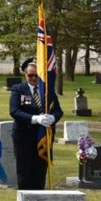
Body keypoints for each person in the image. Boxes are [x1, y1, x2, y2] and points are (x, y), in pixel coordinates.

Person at [10, 57, 63, 190]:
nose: (33, 78)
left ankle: (39, 198)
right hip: (24, 136)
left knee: (40, 171)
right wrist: (35, 118)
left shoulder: (47, 91)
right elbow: (14, 111)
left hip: (43, 136)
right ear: (25, 74)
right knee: (24, 171)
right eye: (30, 75)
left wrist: (52, 118)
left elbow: (58, 111)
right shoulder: (18, 89)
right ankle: (24, 200)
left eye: (36, 75)